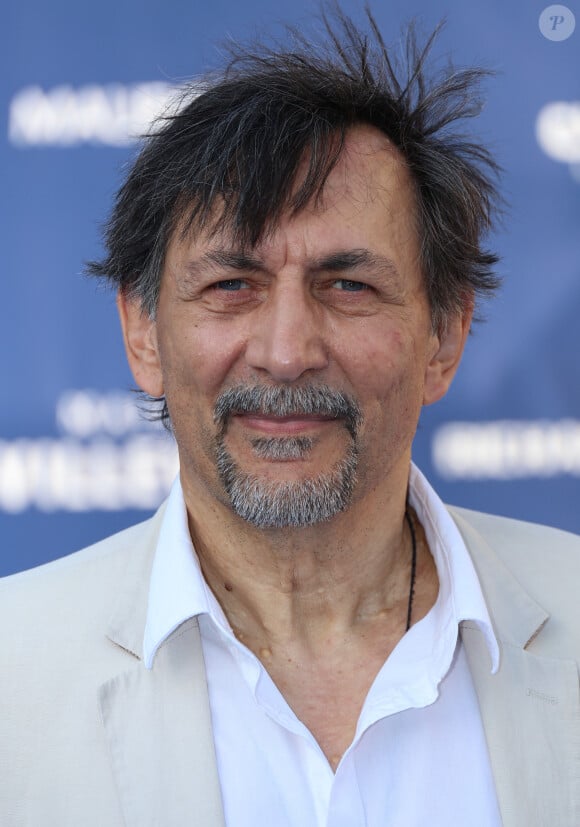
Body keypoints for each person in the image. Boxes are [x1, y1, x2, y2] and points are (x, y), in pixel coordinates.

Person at [1, 7, 579, 826]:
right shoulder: (10, 674)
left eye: (348, 285)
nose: (284, 350)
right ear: (143, 333)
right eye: (231, 284)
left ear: (445, 334)